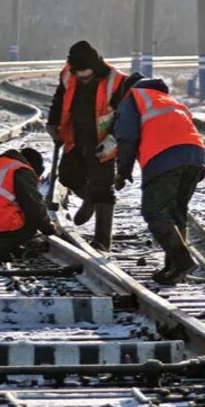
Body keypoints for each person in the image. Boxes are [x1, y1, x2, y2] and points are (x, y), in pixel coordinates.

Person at [114, 73, 205, 285]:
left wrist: (122, 171)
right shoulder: (167, 99)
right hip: (196, 156)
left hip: (164, 157)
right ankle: (173, 268)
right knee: (176, 212)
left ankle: (183, 261)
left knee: (154, 212)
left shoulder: (133, 98)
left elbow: (127, 137)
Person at [45, 41, 126, 252]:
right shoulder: (68, 74)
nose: (81, 76)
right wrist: (52, 124)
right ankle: (89, 198)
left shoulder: (115, 81)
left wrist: (113, 141)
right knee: (68, 175)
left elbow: (125, 117)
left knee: (103, 187)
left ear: (95, 66)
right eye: (78, 72)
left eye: (85, 72)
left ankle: (102, 242)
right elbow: (59, 99)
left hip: (103, 140)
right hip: (75, 135)